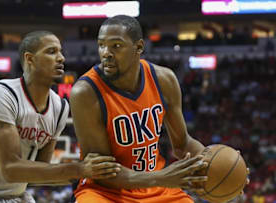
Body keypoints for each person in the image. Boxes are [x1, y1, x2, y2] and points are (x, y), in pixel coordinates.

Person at [0, 31, 121, 203]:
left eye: (61, 52)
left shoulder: (60, 108)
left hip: (17, 198)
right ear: (30, 59)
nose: (61, 58)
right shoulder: (1, 94)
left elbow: (38, 175)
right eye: (51, 52)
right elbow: (11, 169)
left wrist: (90, 175)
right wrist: (79, 168)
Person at [70, 15, 210, 203]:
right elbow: (102, 172)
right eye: (101, 45)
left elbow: (183, 144)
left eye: (116, 46)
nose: (106, 53)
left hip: (156, 187)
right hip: (105, 191)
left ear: (139, 47)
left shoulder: (164, 79)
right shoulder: (85, 92)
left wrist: (215, 164)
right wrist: (162, 178)